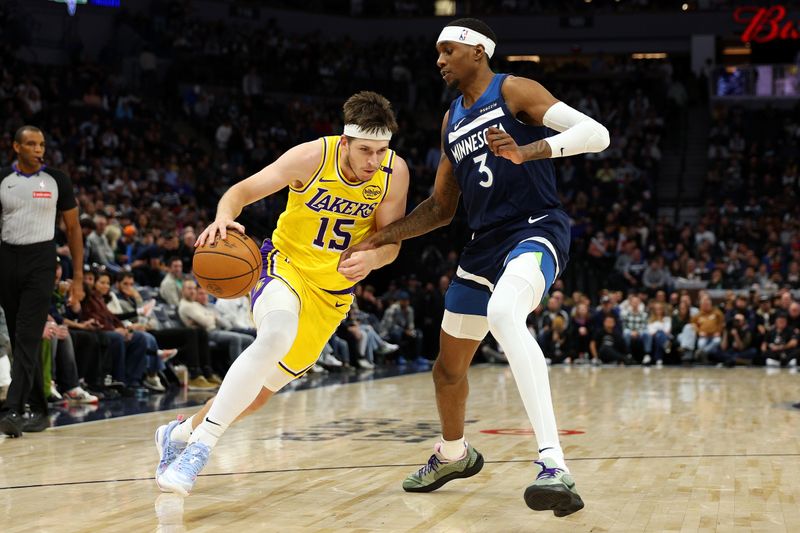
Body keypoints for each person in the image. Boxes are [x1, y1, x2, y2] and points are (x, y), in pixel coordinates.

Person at [341, 18, 608, 516]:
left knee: (507, 314)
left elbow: (596, 134)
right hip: (483, 245)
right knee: (447, 370)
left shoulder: (516, 90)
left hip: (535, 228)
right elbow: (441, 208)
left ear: (477, 52)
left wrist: (529, 151)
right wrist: (379, 236)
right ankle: (453, 454)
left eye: (448, 50)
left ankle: (553, 463)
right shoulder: (451, 120)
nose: (439, 60)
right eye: (437, 52)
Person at [155, 91, 409, 495]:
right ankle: (199, 451)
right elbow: (239, 193)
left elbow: (392, 241)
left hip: (332, 295)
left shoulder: (394, 173)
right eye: (365, 151)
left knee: (255, 397)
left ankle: (181, 433)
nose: (373, 162)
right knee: (276, 334)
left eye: (381, 151)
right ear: (344, 142)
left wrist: (375, 260)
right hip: (284, 267)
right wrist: (223, 219)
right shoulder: (310, 158)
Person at [0, 125, 85, 437]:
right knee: (21, 337)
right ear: (16, 147)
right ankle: (38, 408)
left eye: (42, 144)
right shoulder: (2, 180)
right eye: (31, 144)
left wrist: (78, 278)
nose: (39, 150)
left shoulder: (57, 180)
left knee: (27, 334)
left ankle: (12, 409)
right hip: (6, 260)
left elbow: (74, 230)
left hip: (42, 261)